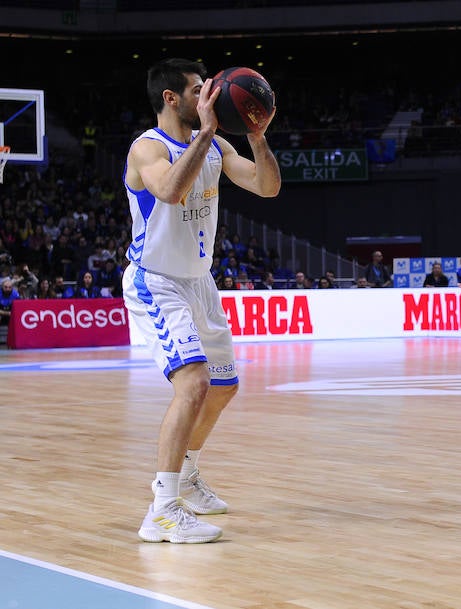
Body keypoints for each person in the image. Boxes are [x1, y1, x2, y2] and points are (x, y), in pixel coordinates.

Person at [122, 58, 281, 544]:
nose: (207, 96)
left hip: (199, 282)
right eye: (197, 90)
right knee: (192, 383)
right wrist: (208, 134)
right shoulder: (147, 147)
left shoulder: (215, 144)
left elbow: (267, 187)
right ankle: (163, 510)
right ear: (171, 98)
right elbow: (169, 190)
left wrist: (257, 136)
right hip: (157, 280)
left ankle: (186, 475)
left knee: (224, 386)